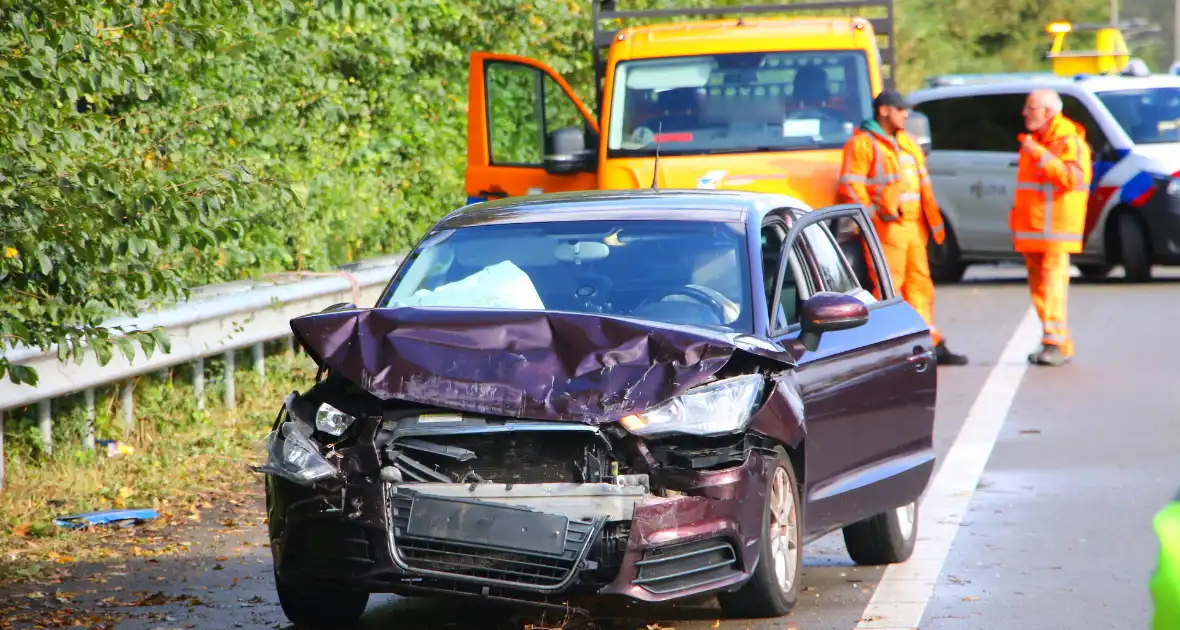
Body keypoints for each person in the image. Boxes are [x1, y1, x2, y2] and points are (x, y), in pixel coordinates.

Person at [837, 89, 968, 366]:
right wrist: (874, 217)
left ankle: (928, 343)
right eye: (900, 109)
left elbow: (924, 190)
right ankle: (890, 350)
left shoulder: (908, 143)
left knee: (921, 287)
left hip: (913, 229)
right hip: (886, 230)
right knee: (889, 291)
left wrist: (936, 228)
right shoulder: (863, 144)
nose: (906, 114)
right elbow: (850, 186)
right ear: (884, 110)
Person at [1011, 89, 1091, 366]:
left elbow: (1070, 178)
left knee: (1053, 284)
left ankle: (1055, 341)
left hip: (1055, 230)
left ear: (1047, 112)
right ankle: (1054, 339)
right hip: (1033, 230)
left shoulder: (1068, 140)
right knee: (1040, 288)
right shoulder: (1037, 141)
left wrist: (1039, 154)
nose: (1024, 113)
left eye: (1030, 108)